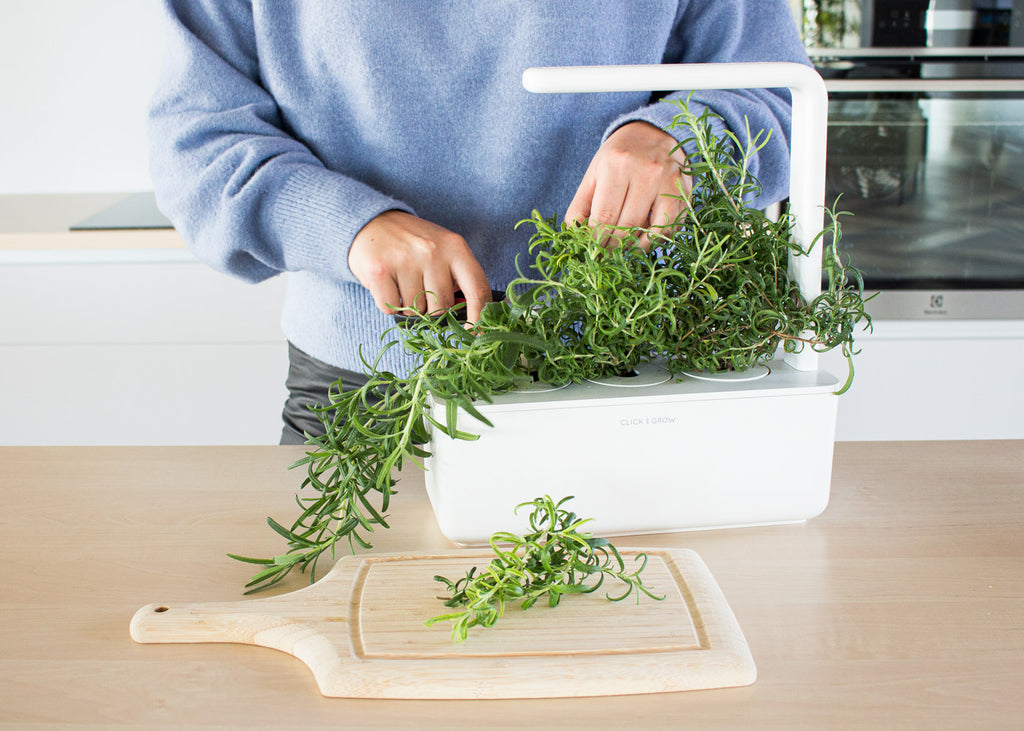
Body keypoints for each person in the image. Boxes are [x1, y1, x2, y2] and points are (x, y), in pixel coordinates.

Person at [147, 1, 812, 444]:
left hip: (625, 374)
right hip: (369, 392)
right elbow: (198, 138)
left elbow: (778, 96)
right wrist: (347, 227)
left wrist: (679, 139)